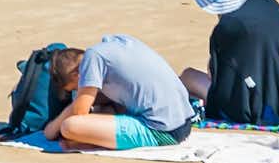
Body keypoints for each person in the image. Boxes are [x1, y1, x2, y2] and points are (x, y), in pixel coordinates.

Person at [43, 35, 196, 151]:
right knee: (105, 107)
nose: (78, 91)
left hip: (164, 132)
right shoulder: (115, 43)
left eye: (76, 88)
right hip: (184, 122)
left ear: (77, 75)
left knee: (70, 126)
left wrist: (51, 129)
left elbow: (79, 113)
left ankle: (89, 143)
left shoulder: (91, 59)